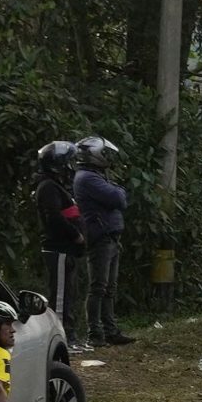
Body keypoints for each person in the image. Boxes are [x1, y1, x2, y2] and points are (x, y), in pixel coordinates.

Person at [71, 136, 133, 346]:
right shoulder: (88, 178)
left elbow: (118, 197)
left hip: (111, 235)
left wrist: (118, 191)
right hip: (100, 237)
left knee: (109, 287)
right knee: (98, 286)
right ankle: (95, 334)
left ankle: (110, 330)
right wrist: (119, 190)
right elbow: (119, 199)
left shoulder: (95, 176)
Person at [33, 140, 84, 340]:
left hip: (66, 249)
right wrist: (75, 234)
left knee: (68, 294)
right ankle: (62, 337)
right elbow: (53, 217)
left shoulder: (56, 185)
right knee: (60, 297)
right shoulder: (47, 187)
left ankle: (69, 334)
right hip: (59, 248)